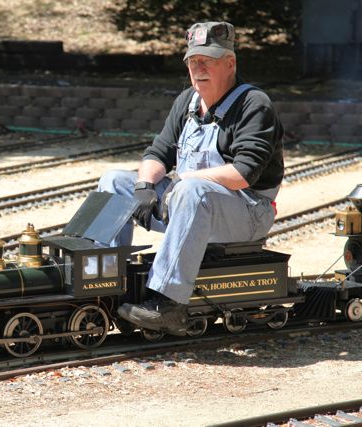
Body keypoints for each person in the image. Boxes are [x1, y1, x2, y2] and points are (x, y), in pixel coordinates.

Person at [98, 21, 284, 336]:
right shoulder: (187, 101)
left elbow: (243, 173)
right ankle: (105, 283)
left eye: (207, 61)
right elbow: (158, 153)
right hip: (188, 202)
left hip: (248, 210)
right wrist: (144, 187)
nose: (198, 69)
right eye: (192, 61)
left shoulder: (254, 104)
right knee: (114, 180)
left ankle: (168, 304)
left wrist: (183, 182)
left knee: (192, 189)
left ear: (230, 63)